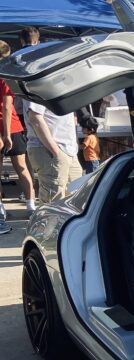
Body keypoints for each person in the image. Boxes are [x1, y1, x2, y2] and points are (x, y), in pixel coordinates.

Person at [0, 41, 36, 231]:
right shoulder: (5, 75)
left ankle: (2, 214)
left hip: (11, 126)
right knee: (22, 167)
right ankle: (31, 206)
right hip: (11, 127)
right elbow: (6, 106)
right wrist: (6, 134)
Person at [23, 100, 82, 204]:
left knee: (75, 198)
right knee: (53, 203)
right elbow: (35, 118)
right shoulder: (36, 86)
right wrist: (55, 151)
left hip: (69, 150)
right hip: (50, 150)